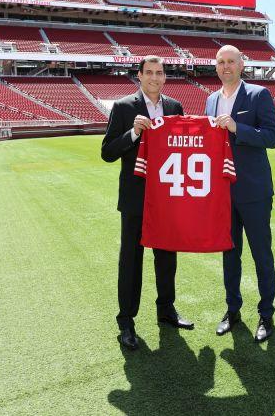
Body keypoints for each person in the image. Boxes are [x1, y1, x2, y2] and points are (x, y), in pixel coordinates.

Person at [101, 55, 194, 350]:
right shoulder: (124, 107)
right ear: (139, 76)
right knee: (131, 261)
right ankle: (126, 321)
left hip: (166, 198)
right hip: (136, 199)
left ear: (165, 77)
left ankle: (166, 309)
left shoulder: (174, 108)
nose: (155, 77)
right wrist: (133, 133)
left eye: (160, 72)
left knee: (167, 258)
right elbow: (107, 152)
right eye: (149, 72)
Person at [204, 45, 275, 342]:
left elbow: (273, 138)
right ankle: (233, 310)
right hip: (223, 193)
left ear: (241, 64)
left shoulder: (259, 95)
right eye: (221, 62)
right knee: (229, 255)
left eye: (231, 62)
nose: (226, 67)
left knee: (262, 255)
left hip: (254, 191)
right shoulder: (210, 100)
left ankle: (266, 313)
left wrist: (238, 128)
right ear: (216, 66)